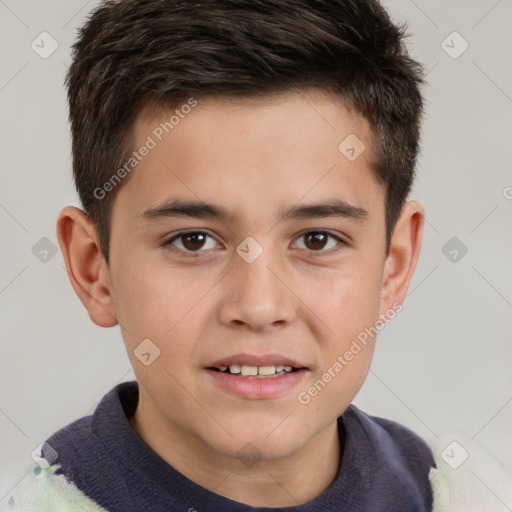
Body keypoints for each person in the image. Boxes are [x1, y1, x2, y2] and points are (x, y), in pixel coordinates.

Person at [1, 1, 486, 510]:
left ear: (394, 265)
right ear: (93, 268)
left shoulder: (471, 497)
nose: (258, 307)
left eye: (317, 239)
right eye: (193, 240)